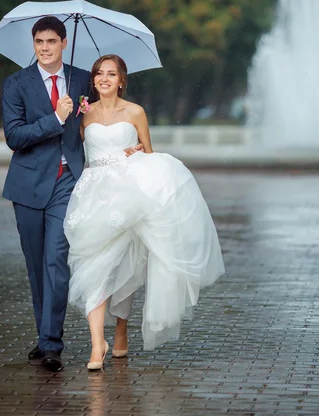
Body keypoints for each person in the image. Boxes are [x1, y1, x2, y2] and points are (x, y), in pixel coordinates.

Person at [64, 54, 225, 370]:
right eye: (99, 74)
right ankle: (98, 344)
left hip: (129, 193)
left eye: (111, 74)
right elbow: (73, 150)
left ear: (122, 79)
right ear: (93, 80)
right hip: (92, 194)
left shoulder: (135, 111)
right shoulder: (82, 113)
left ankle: (121, 327)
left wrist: (137, 151)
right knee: (93, 266)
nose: (104, 79)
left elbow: (149, 154)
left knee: (124, 264)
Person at [1, 16, 91, 372]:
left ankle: (52, 343)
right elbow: (14, 136)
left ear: (64, 43)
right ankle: (44, 336)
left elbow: (100, 117)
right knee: (36, 265)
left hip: (67, 182)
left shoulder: (82, 79)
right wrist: (55, 118)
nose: (44, 48)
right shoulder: (16, 83)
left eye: (51, 41)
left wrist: (125, 146)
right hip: (27, 185)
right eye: (39, 41)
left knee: (56, 260)